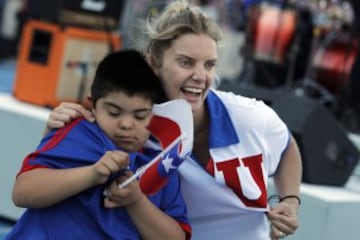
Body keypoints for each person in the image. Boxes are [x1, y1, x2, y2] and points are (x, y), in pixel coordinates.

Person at [45, 0, 302, 239]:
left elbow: (287, 146)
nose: (201, 76)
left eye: (209, 65)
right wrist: (52, 133)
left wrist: (290, 201)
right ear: (154, 61)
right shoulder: (131, 126)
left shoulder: (250, 116)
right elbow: (55, 175)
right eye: (186, 62)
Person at [6, 50, 191, 240]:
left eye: (140, 116)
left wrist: (135, 202)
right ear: (92, 105)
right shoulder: (76, 133)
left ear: (156, 114)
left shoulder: (162, 163)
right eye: (113, 112)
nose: (126, 124)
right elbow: (22, 193)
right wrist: (92, 174)